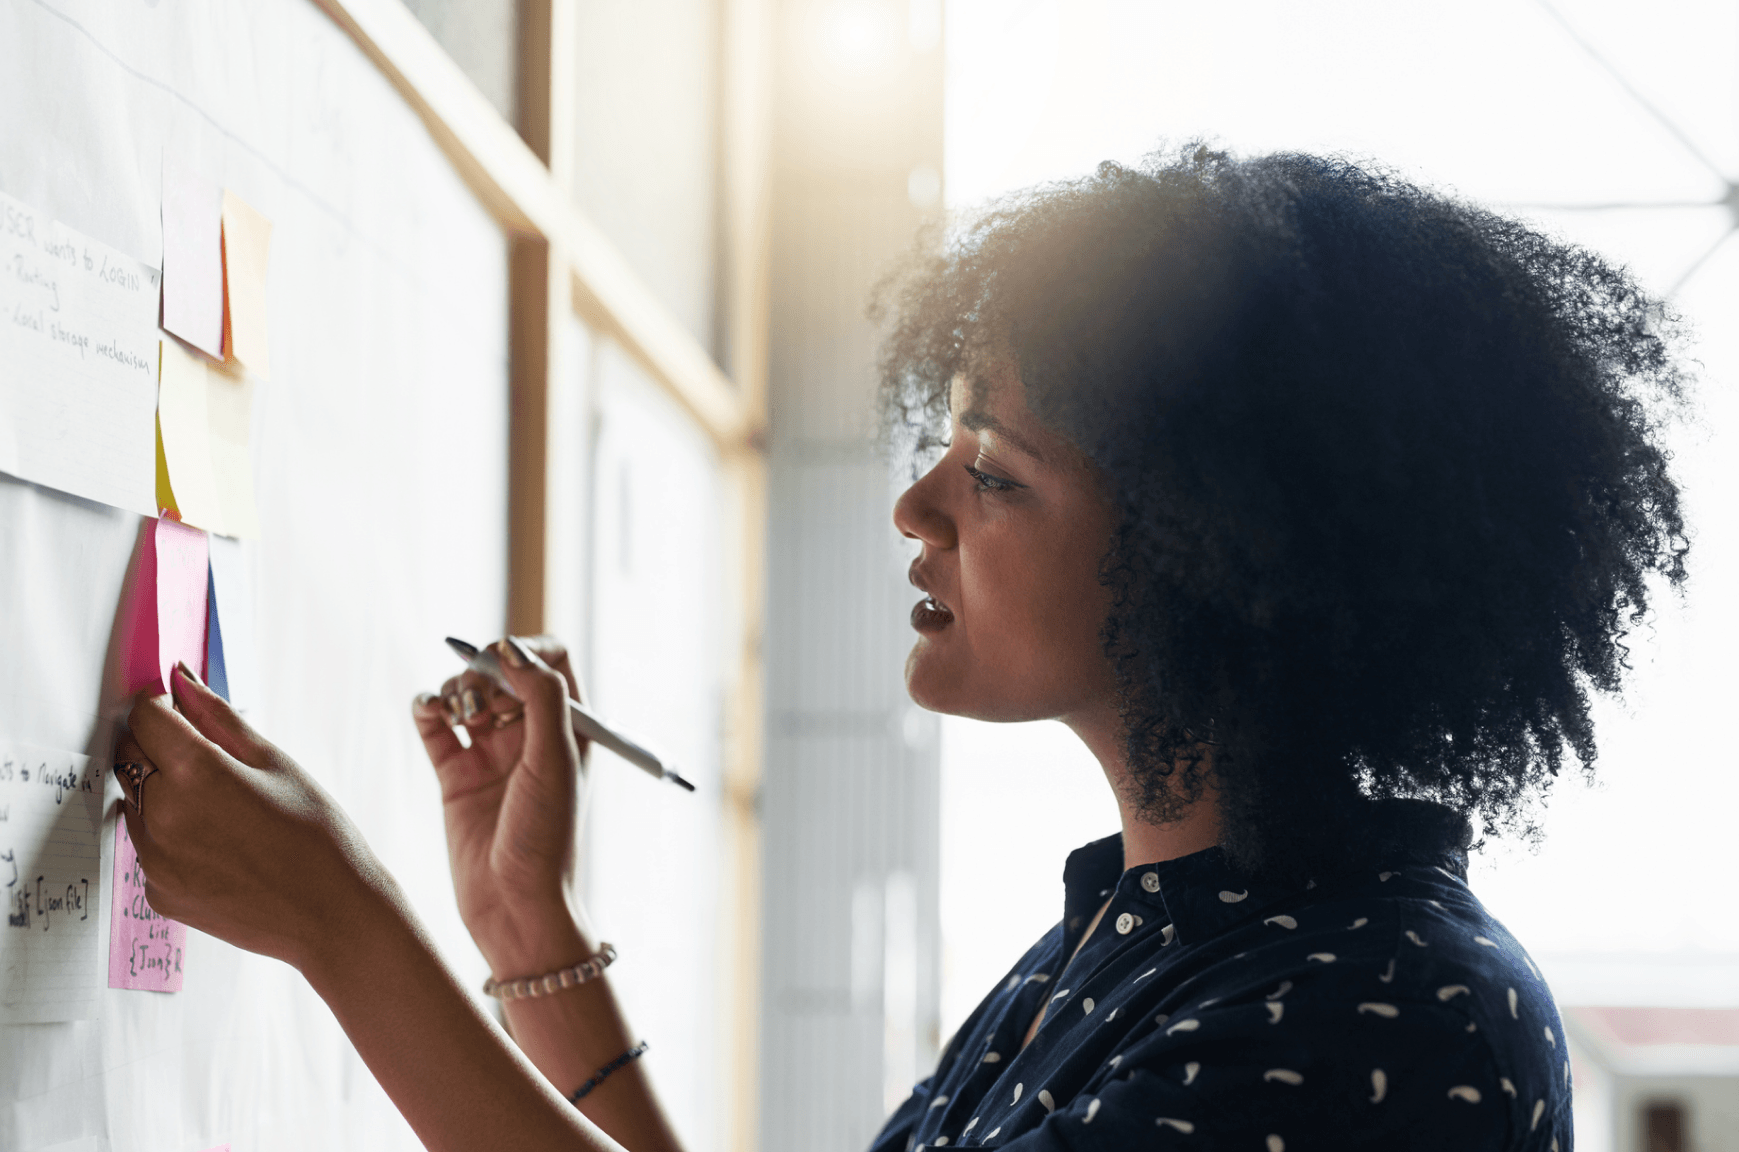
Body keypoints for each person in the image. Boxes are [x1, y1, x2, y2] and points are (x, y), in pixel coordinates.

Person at [118, 146, 1689, 1151]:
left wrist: (347, 927)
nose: (915, 506)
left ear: (1228, 559)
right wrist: (527, 927)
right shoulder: (1142, 937)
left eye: (995, 471)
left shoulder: (1388, 1015)